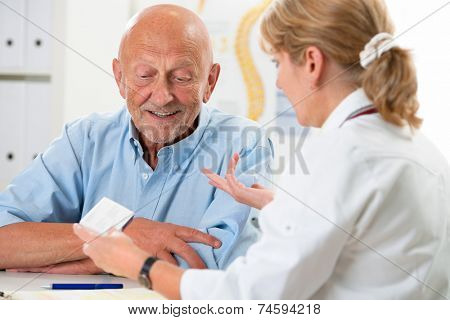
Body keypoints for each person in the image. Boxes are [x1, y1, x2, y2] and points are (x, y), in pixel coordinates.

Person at [74, 0, 449, 299]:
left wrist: (137, 264)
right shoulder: (410, 140)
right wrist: (284, 206)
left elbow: (252, 295)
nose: (279, 80)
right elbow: (371, 235)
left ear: (313, 63)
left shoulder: (340, 154)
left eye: (277, 62)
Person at [0, 5, 273, 273]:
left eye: (181, 77)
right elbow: (5, 239)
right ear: (120, 78)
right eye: (145, 76)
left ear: (210, 82)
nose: (162, 95)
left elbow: (213, 266)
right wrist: (120, 234)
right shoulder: (84, 139)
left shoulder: (244, 144)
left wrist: (95, 254)